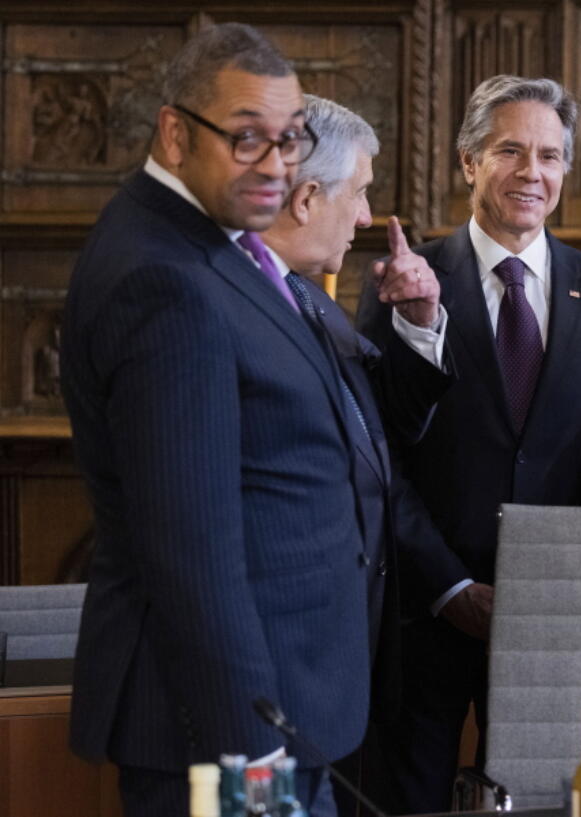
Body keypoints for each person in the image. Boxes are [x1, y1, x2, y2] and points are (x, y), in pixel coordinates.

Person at [63, 25, 368, 816]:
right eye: (245, 139)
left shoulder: (213, 244)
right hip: (227, 733)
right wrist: (252, 749)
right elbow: (188, 546)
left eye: (289, 138)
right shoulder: (164, 277)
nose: (274, 164)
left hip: (277, 703)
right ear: (174, 131)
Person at [356, 74, 581, 813]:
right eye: (510, 150)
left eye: (550, 156)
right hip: (424, 612)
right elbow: (375, 452)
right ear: (467, 162)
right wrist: (450, 586)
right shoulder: (404, 278)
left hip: (552, 619)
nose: (532, 173)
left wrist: (554, 588)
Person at [258, 94, 446, 815]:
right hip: (272, 685)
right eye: (361, 192)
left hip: (327, 680)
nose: (367, 217)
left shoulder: (309, 302)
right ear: (307, 198)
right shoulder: (239, 300)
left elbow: (377, 434)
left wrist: (420, 321)